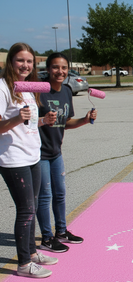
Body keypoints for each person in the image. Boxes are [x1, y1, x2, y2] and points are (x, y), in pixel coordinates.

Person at [0, 42, 57, 278]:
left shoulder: (27, 89)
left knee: (31, 209)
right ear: (11, 62)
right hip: (14, 159)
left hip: (33, 155)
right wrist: (15, 119)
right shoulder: (2, 87)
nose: (25, 65)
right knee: (26, 210)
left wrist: (44, 120)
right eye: (20, 60)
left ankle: (32, 253)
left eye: (30, 61)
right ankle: (24, 263)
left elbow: (28, 123)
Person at [37, 52, 97, 253]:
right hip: (39, 153)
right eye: (55, 67)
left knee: (60, 194)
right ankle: (47, 237)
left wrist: (84, 119)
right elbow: (27, 122)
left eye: (63, 67)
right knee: (45, 196)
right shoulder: (39, 91)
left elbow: (65, 123)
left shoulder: (66, 91)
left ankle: (61, 232)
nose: (60, 71)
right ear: (48, 69)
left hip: (56, 151)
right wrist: (43, 120)